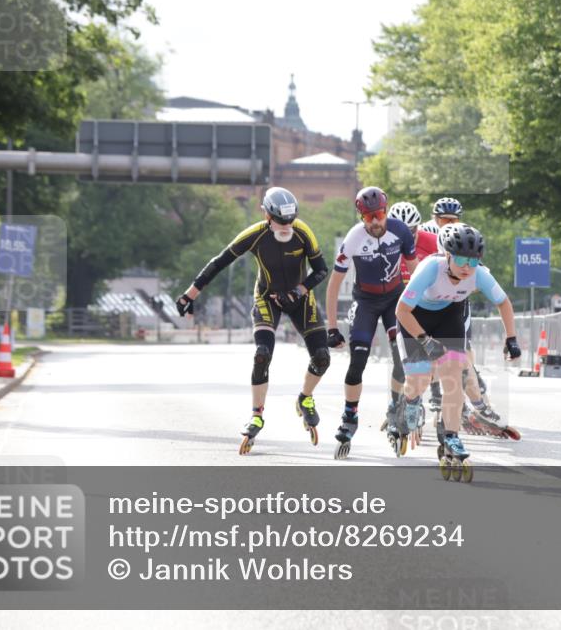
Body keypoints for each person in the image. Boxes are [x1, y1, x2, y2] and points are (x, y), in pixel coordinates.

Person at [175, 187, 331, 455]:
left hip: (300, 298)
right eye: (281, 222)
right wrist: (189, 295)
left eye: (290, 220)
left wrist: (299, 291)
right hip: (267, 298)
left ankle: (304, 399)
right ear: (267, 215)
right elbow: (219, 262)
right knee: (262, 354)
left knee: (322, 357)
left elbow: (321, 270)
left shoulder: (303, 231)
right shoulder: (255, 234)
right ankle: (257, 414)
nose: (287, 226)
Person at [395, 223, 521, 480]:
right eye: (461, 259)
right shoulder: (431, 268)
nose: (467, 267)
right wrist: (424, 340)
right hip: (415, 318)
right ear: (447, 255)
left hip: (449, 317)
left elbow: (503, 303)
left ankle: (451, 436)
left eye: (473, 261)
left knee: (453, 377)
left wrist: (511, 338)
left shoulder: (479, 274)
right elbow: (401, 311)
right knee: (418, 381)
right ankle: (409, 403)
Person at [325, 188, 417, 459]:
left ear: (386, 211)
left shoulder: (401, 231)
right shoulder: (354, 238)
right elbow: (334, 285)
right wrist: (332, 328)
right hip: (365, 301)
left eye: (378, 215)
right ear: (361, 217)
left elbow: (416, 272)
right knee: (357, 362)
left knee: (401, 357)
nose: (374, 222)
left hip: (395, 301)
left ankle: (395, 408)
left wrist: (422, 310)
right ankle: (349, 416)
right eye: (368, 218)